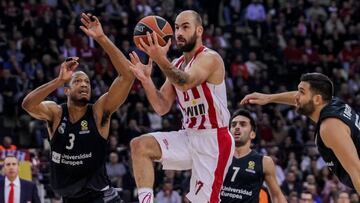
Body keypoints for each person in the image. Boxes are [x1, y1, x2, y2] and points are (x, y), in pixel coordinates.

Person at [21, 13, 134, 203]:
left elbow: (127, 77)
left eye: (87, 82)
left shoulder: (98, 112)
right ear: (66, 90)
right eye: (78, 81)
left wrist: (101, 38)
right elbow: (28, 105)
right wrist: (58, 80)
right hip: (70, 197)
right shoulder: (56, 113)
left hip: (101, 196)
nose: (84, 84)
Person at [129, 10, 234, 203]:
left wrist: (160, 58)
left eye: (185, 27)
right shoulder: (177, 63)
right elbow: (161, 107)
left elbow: (185, 82)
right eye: (176, 28)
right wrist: (146, 80)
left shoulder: (210, 58)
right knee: (140, 146)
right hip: (188, 135)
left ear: (199, 30)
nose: (179, 33)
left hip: (214, 140)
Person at [241, 72, 360, 193]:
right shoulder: (333, 102)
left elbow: (358, 172)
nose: (296, 96)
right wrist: (269, 98)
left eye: (301, 92)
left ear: (317, 99)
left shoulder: (330, 127)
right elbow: (299, 98)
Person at [220, 109, 287, 203]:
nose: (237, 127)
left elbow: (277, 196)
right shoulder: (216, 157)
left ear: (252, 134)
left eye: (243, 124)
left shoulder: (264, 162)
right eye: (233, 125)